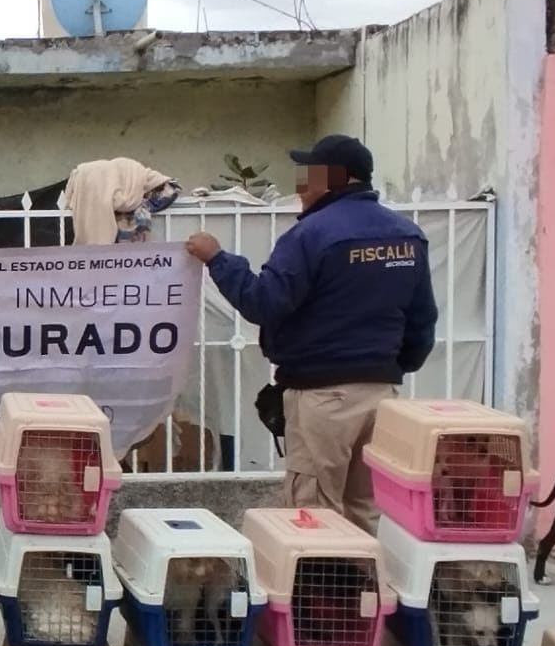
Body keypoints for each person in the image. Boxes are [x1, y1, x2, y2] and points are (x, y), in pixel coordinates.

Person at [183, 134, 437, 529]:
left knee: (315, 516)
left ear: (336, 178)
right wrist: (384, 368)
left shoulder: (311, 235)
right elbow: (422, 322)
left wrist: (217, 259)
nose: (301, 187)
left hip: (322, 398)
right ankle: (362, 573)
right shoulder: (407, 236)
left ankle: (322, 574)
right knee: (364, 511)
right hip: (381, 397)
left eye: (309, 176)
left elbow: (263, 303)